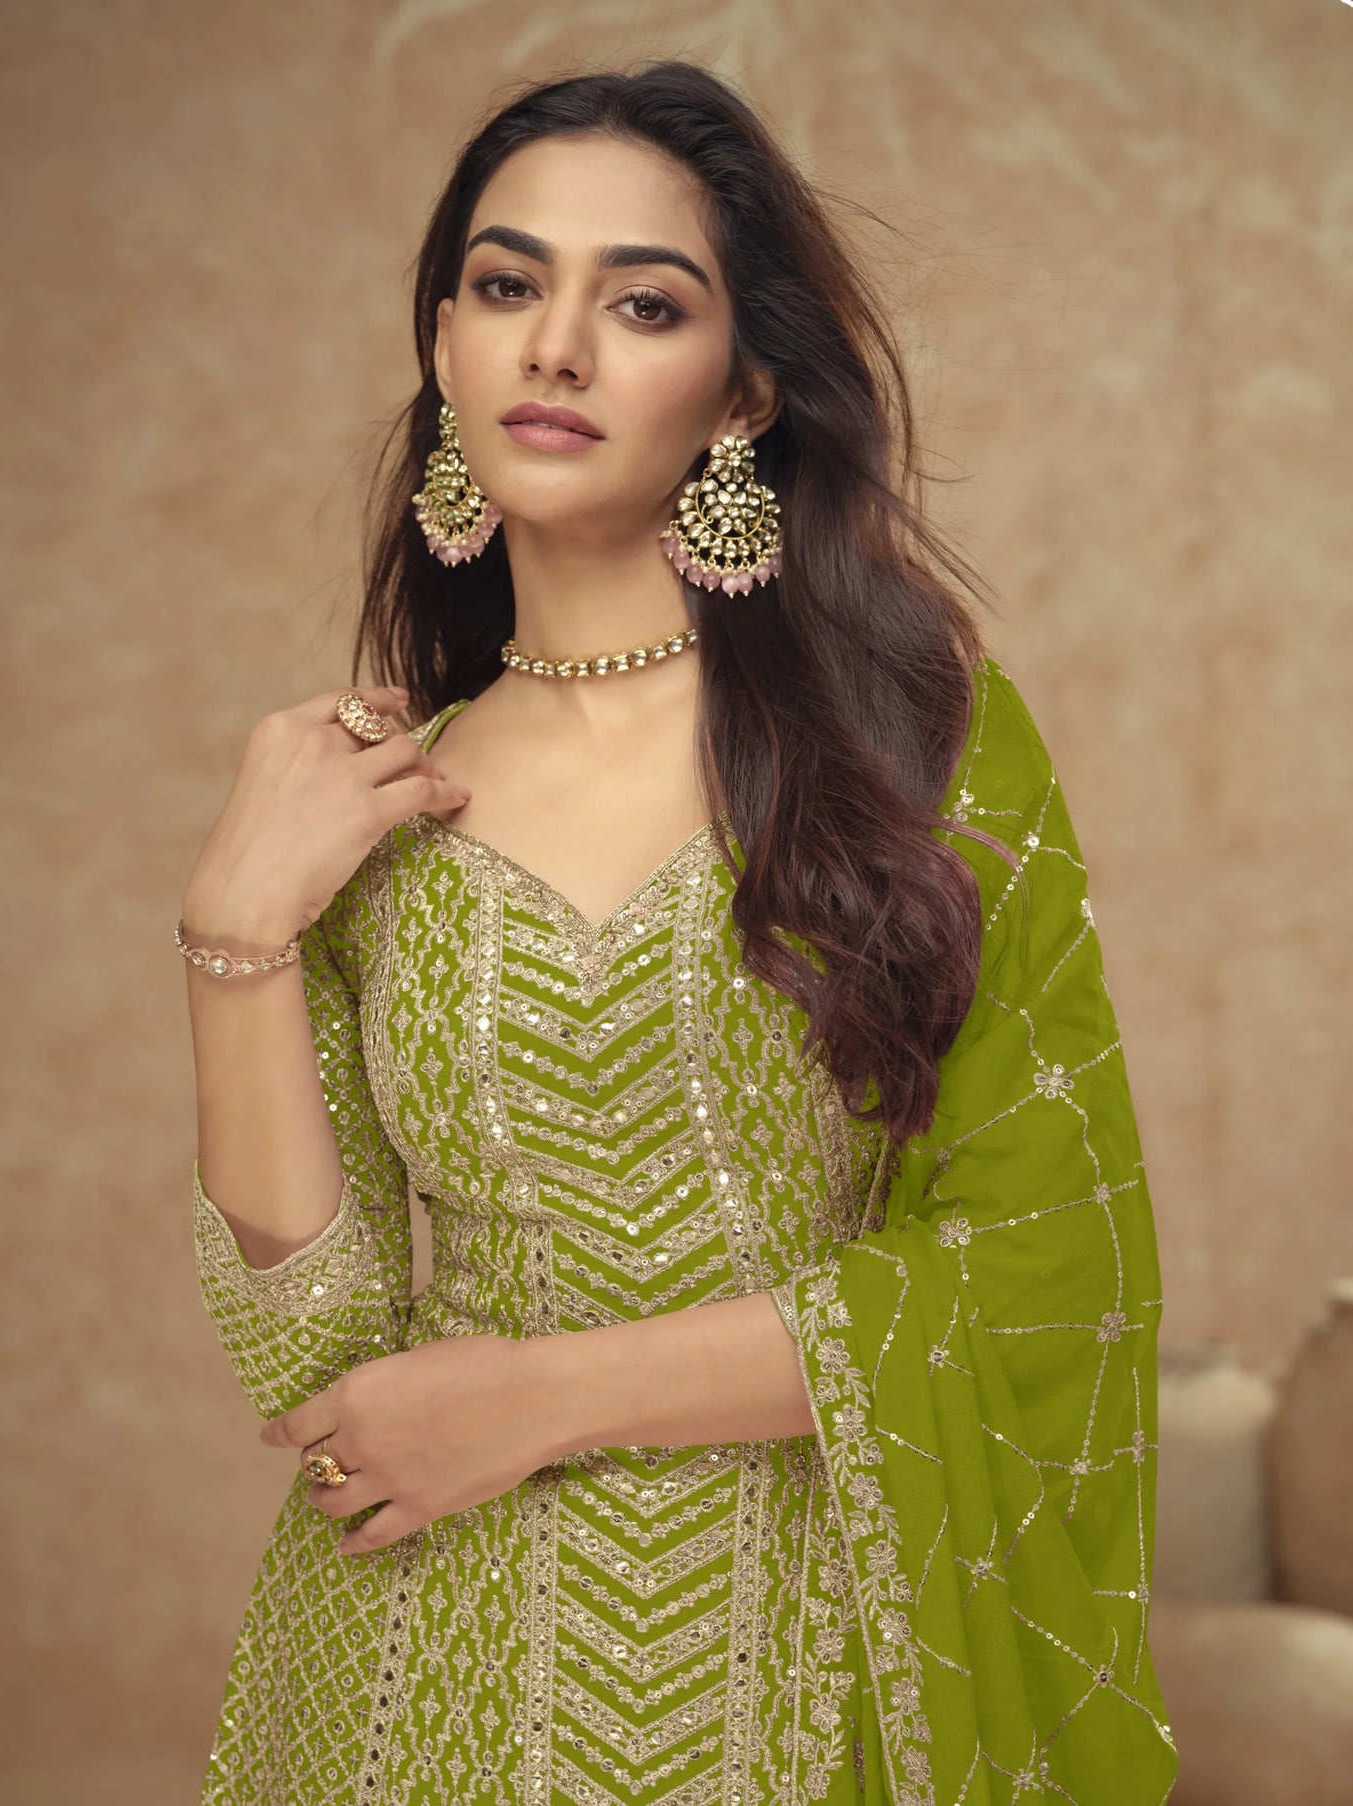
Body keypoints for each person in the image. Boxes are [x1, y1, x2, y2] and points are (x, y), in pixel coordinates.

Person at [179, 58, 1179, 1806]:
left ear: (742, 393)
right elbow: (313, 1362)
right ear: (443, 346)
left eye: (639, 303)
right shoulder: (372, 804)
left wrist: (547, 1396)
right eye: (507, 285)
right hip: (421, 1692)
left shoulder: (909, 749)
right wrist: (234, 932)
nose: (554, 345)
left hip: (822, 1661)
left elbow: (1045, 1263)